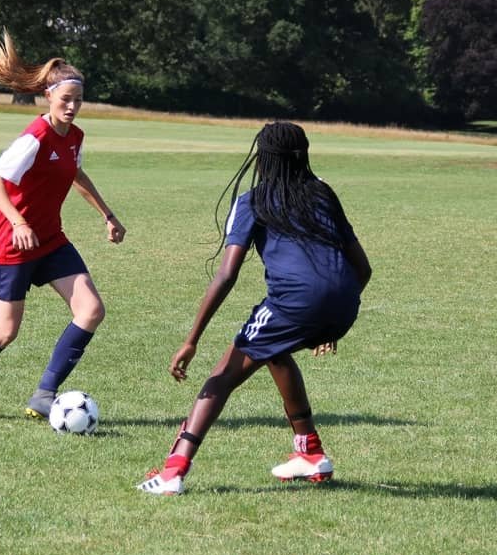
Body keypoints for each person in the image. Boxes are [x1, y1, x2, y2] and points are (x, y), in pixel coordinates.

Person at [137, 121, 372, 496]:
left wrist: (191, 339)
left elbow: (226, 274)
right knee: (274, 351)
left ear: (263, 160)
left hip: (297, 303)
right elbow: (363, 268)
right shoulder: (323, 193)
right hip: (344, 301)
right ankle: (309, 452)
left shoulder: (253, 201)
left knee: (222, 376)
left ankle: (172, 472)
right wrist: (331, 319)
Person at [0, 31, 126, 420]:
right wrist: (18, 221)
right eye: (66, 100)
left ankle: (44, 395)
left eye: (78, 100)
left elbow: (76, 174)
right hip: (14, 243)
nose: (73, 107)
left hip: (50, 240)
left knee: (91, 309)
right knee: (6, 331)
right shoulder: (34, 137)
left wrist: (107, 215)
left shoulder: (74, 136)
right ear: (48, 97)